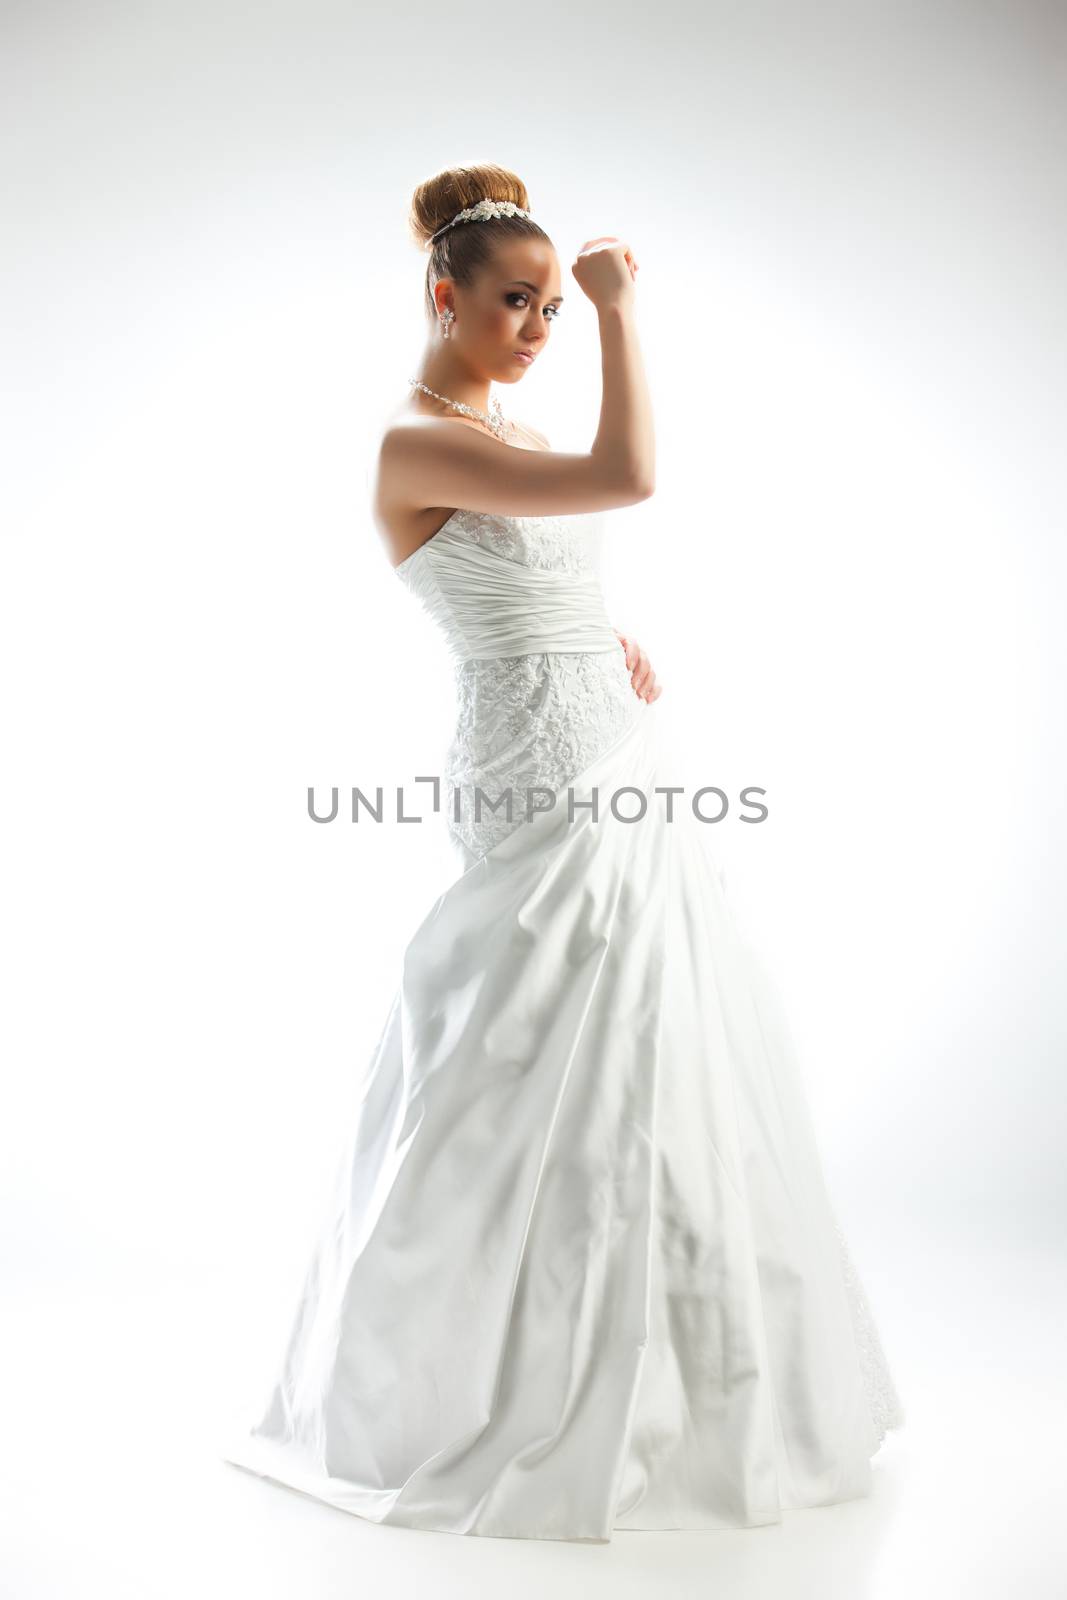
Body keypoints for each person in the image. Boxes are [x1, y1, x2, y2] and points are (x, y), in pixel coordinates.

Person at [221, 163, 905, 1544]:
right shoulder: (408, 444)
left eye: (553, 306)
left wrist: (607, 634)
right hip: (537, 778)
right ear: (444, 295)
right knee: (523, 1048)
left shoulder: (499, 429)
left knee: (655, 1048)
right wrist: (622, 307)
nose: (541, 326)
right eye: (519, 304)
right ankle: (463, 1382)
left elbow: (547, 560)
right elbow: (626, 477)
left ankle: (678, 1382)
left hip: (614, 750)